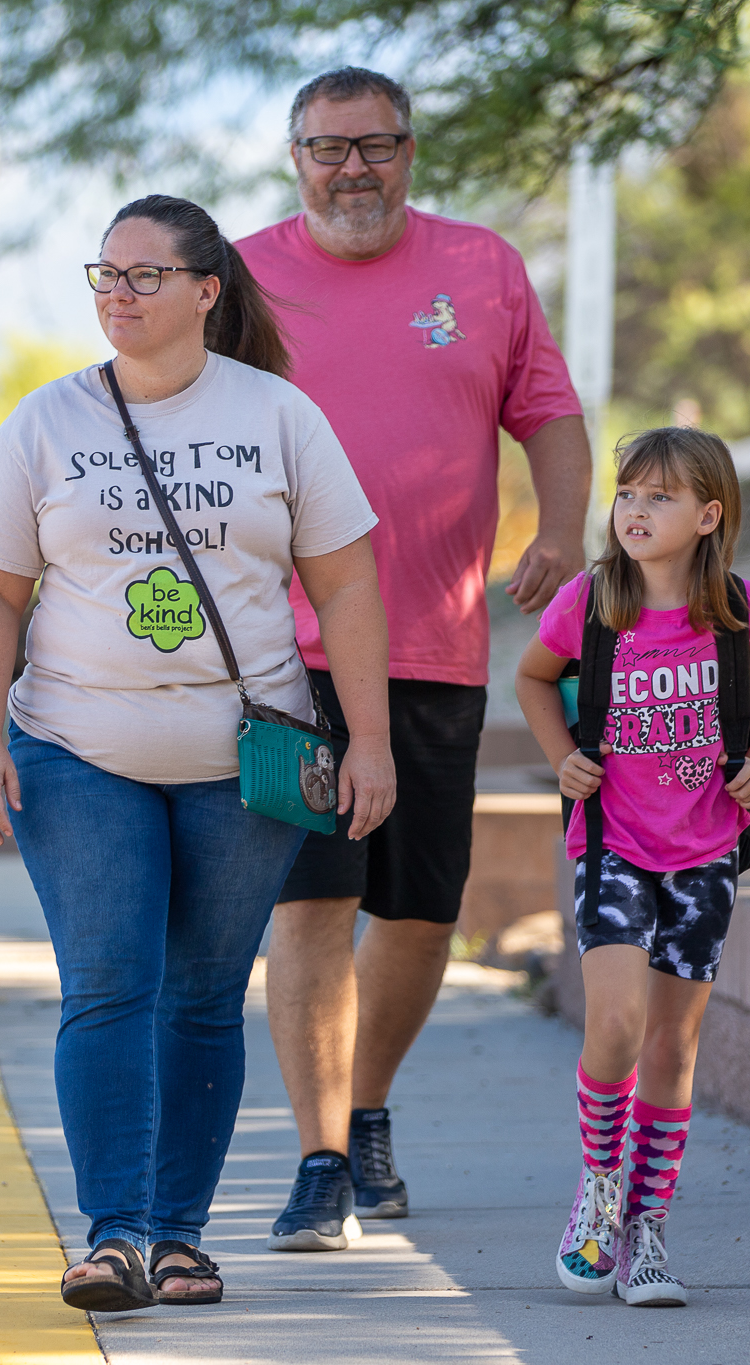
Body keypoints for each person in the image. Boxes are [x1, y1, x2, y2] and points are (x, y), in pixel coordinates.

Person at [0, 193, 395, 1311]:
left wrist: (371, 742)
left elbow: (344, 585)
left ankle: (180, 1237)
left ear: (206, 291)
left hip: (241, 763)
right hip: (70, 748)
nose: (117, 293)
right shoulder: (47, 423)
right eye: (103, 273)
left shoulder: (278, 415)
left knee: (201, 995)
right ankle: (113, 1237)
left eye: (144, 275)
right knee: (107, 985)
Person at [236, 66, 593, 1251]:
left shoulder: (481, 267)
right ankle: (319, 1156)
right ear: (295, 158)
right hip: (286, 657)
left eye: (374, 146)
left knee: (420, 910)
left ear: (408, 151)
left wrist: (555, 530)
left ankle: (367, 1103)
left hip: (433, 642)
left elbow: (546, 411)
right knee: (311, 900)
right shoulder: (237, 278)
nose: (352, 169)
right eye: (327, 149)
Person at [515, 427, 750, 1305]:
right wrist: (561, 754)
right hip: (612, 843)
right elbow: (534, 678)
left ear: (708, 514)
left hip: (707, 852)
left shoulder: (744, 607)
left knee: (673, 1046)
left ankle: (649, 1228)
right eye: (628, 493)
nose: (635, 511)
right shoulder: (590, 599)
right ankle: (600, 1191)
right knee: (613, 1027)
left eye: (660, 496)